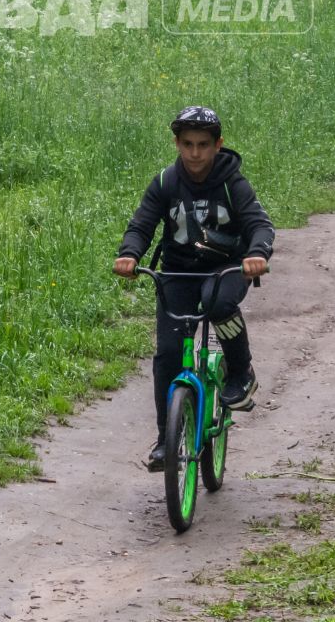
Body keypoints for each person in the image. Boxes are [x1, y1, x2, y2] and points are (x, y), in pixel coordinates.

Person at [114, 106, 273, 472]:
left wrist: (256, 254)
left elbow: (260, 224)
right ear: (177, 143)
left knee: (216, 302)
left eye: (203, 144)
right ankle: (164, 440)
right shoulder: (166, 182)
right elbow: (141, 224)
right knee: (168, 354)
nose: (195, 153)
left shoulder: (233, 184)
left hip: (225, 269)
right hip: (178, 273)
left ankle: (240, 372)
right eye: (188, 144)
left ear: (218, 145)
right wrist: (129, 255)